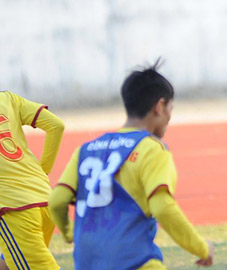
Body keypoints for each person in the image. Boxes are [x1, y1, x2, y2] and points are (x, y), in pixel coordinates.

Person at [48, 60, 214, 270]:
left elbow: (56, 201)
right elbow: (163, 208)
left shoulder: (85, 149)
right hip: (134, 262)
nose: (170, 117)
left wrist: (69, 233)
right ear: (159, 106)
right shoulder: (152, 149)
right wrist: (201, 248)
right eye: (170, 108)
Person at [0, 91, 65, 270]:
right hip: (44, 199)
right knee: (7, 263)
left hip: (14, 209)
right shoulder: (8, 99)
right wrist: (42, 172)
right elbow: (56, 125)